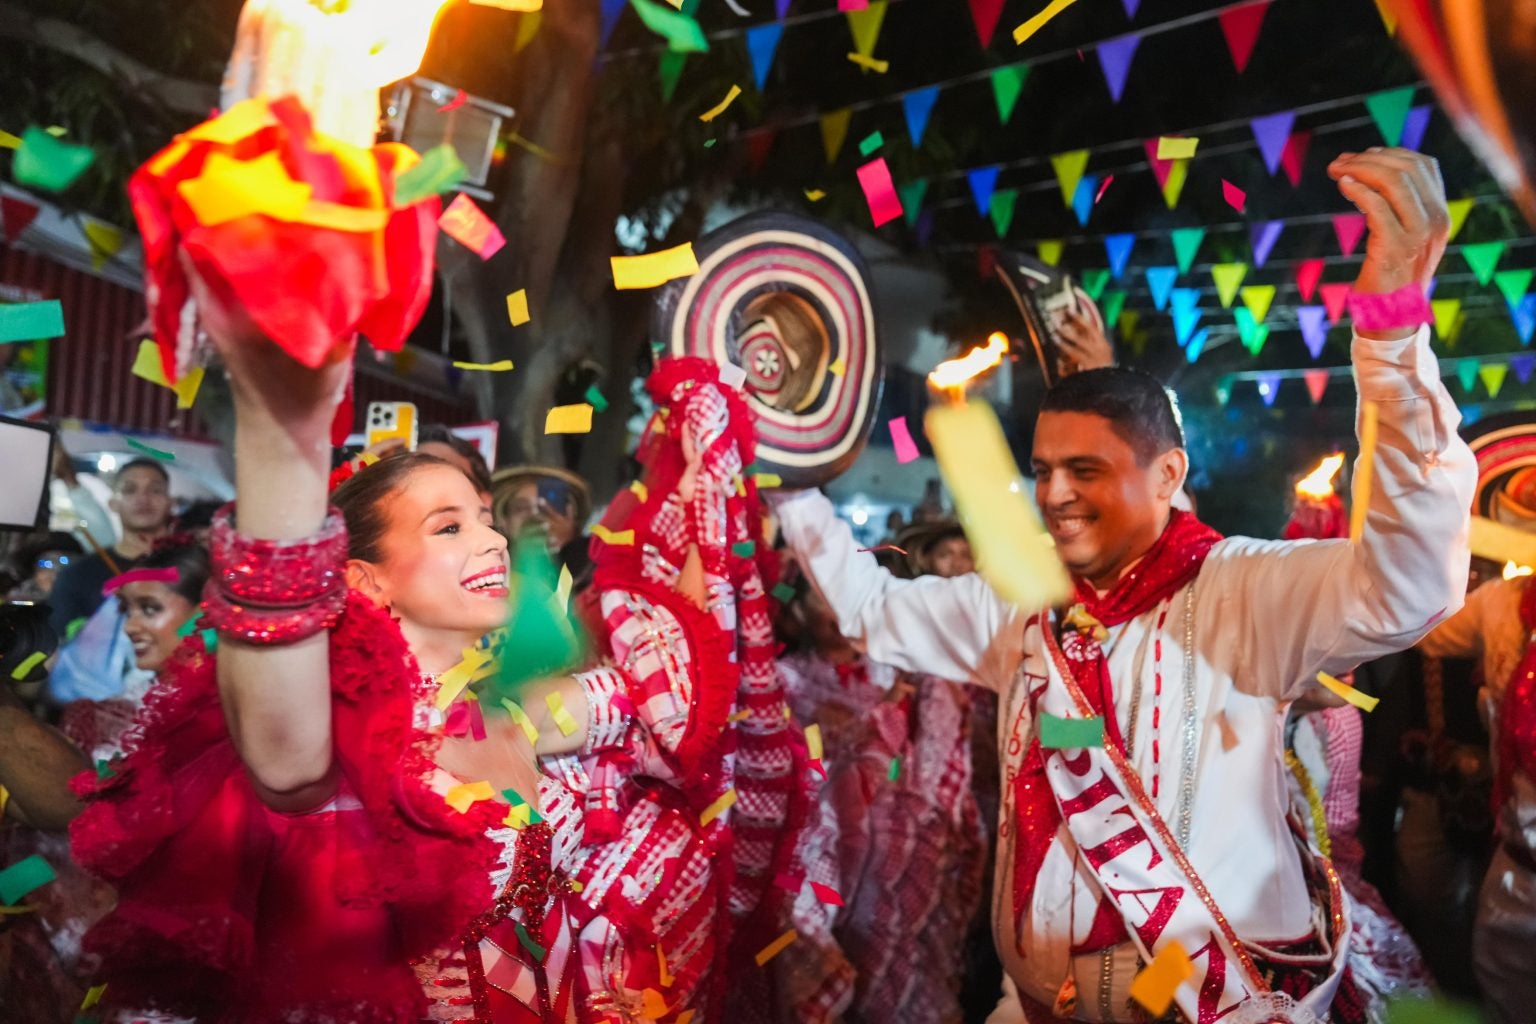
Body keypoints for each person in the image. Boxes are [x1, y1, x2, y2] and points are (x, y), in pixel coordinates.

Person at [771, 148, 1473, 1023]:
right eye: (1044, 469)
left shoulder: (1245, 591)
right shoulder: (1022, 603)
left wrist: (1394, 340)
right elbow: (870, 610)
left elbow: (1410, 583)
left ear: (1169, 473)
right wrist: (788, 473)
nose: (1055, 493)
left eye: (1087, 470)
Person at [69, 259, 802, 1022]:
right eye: (448, 527)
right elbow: (282, 740)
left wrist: (708, 420)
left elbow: (685, 654)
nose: (490, 542)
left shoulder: (526, 710)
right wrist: (281, 413)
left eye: (485, 519)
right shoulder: (347, 748)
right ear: (367, 579)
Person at [58, 541, 210, 765]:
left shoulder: (240, 711)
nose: (130, 627)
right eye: (127, 611)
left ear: (204, 613)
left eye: (149, 609)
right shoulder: (101, 719)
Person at [47, 458, 174, 639]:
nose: (143, 498)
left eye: (155, 490)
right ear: (113, 503)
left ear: (170, 503)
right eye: (129, 490)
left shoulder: (192, 568)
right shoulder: (77, 576)